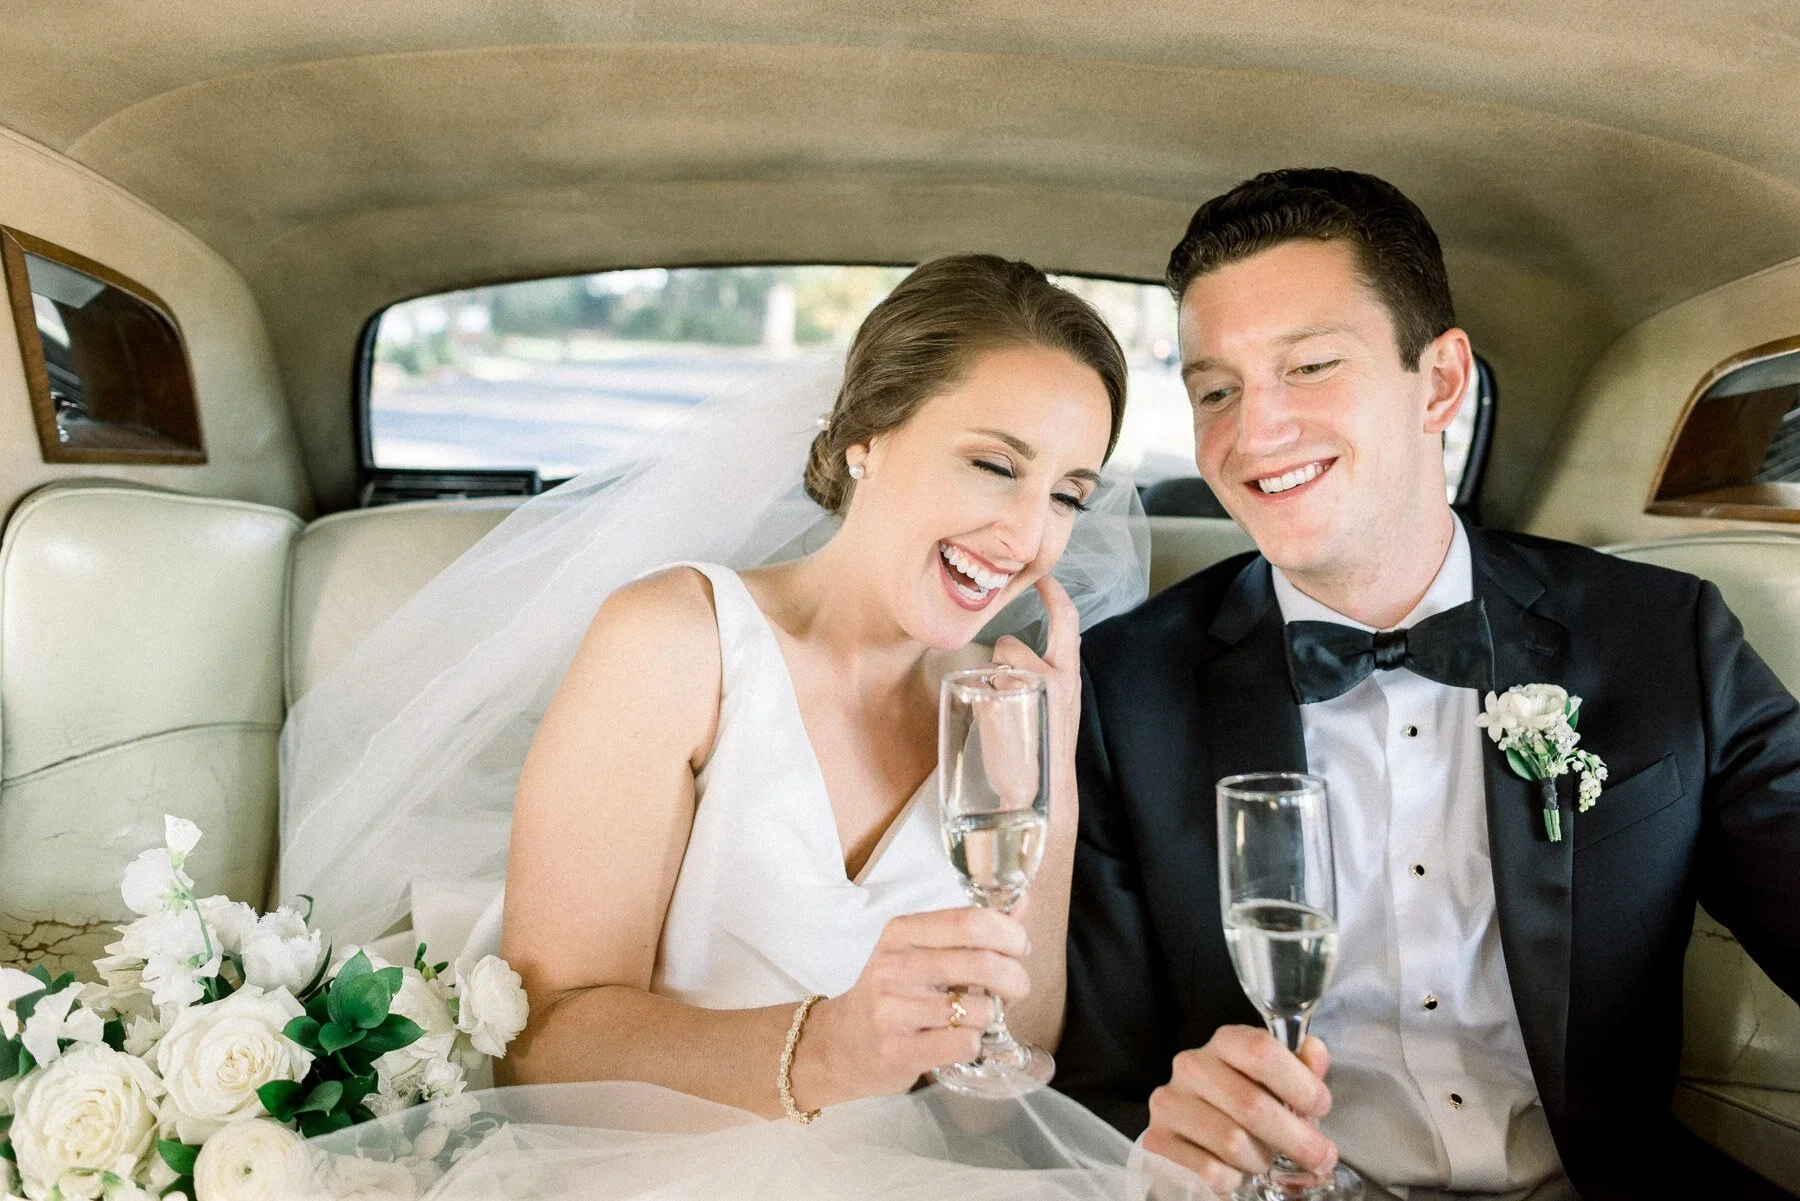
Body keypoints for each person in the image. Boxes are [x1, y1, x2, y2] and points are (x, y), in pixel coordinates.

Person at [280, 255, 1202, 1199]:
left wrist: (1047, 789)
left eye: (1066, 494)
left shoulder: (1007, 706)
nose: (1025, 535)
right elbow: (545, 1051)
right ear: (868, 439)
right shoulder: (678, 641)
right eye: (995, 466)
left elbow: (992, 1100)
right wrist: (828, 1050)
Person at [1055, 169, 1800, 1200]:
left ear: (1441, 382)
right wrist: (1163, 1129)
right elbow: (1095, 1084)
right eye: (1215, 389)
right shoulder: (1120, 689)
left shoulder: (1663, 636)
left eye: (1309, 366)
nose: (1252, 431)